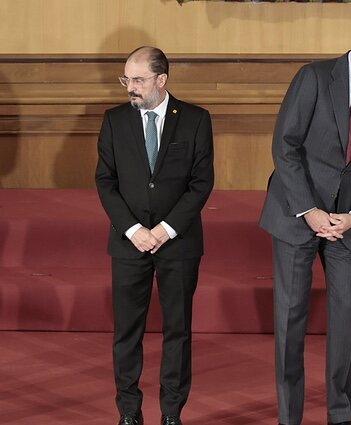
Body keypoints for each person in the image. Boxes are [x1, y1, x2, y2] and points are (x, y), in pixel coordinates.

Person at [258, 9, 351, 425]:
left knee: (345, 322)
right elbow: (285, 145)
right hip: (295, 214)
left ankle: (341, 416)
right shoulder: (315, 75)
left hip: (345, 225)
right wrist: (310, 211)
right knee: (290, 321)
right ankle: (290, 418)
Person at [95, 46, 214, 425]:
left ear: (161, 80)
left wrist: (163, 230)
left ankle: (171, 413)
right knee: (127, 332)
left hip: (177, 243)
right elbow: (105, 181)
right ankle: (128, 412)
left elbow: (201, 183)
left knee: (177, 331)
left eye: (138, 80)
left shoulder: (195, 119)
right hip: (129, 242)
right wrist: (133, 230)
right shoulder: (114, 120)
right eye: (126, 79)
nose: (130, 87)